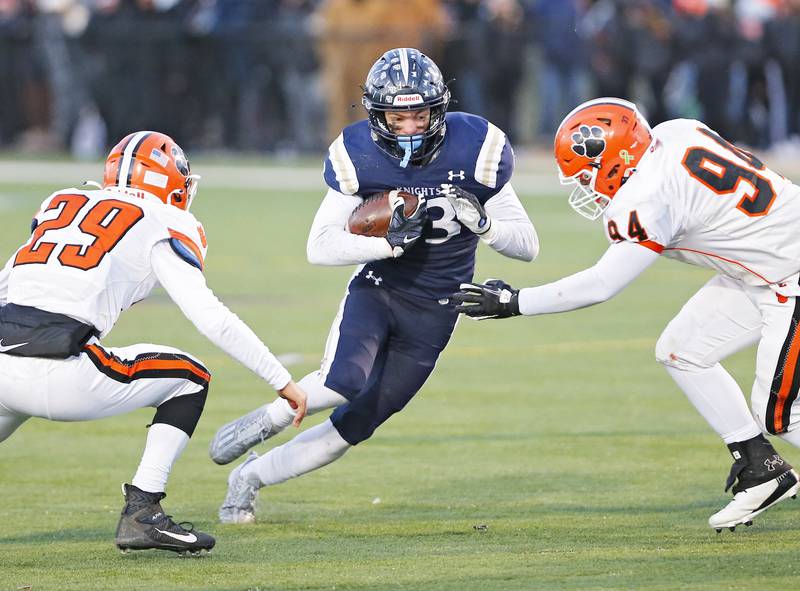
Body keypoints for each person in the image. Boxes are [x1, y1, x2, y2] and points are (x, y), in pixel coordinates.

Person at [210, 47, 539, 524]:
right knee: (343, 382)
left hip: (436, 311)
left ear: (439, 109)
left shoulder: (478, 147)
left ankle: (250, 478)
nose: (408, 127)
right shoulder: (357, 153)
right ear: (376, 113)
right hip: (380, 289)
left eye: (419, 114)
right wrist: (387, 247)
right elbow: (319, 246)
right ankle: (268, 420)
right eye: (396, 116)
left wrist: (485, 224)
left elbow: (527, 245)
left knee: (354, 426)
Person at [451, 97, 800, 531]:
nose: (587, 187)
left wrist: (513, 302)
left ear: (616, 157)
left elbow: (603, 284)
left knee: (782, 415)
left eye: (587, 174)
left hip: (789, 275)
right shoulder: (676, 131)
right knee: (682, 351)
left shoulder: (643, 200)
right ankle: (761, 466)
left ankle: (765, 451)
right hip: (762, 269)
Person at [0, 131, 307, 554]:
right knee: (190, 376)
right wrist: (281, 380)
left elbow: (7, 285)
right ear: (168, 181)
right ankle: (143, 512)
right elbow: (209, 317)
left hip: (3, 360)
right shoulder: (162, 218)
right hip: (64, 368)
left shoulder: (62, 202)